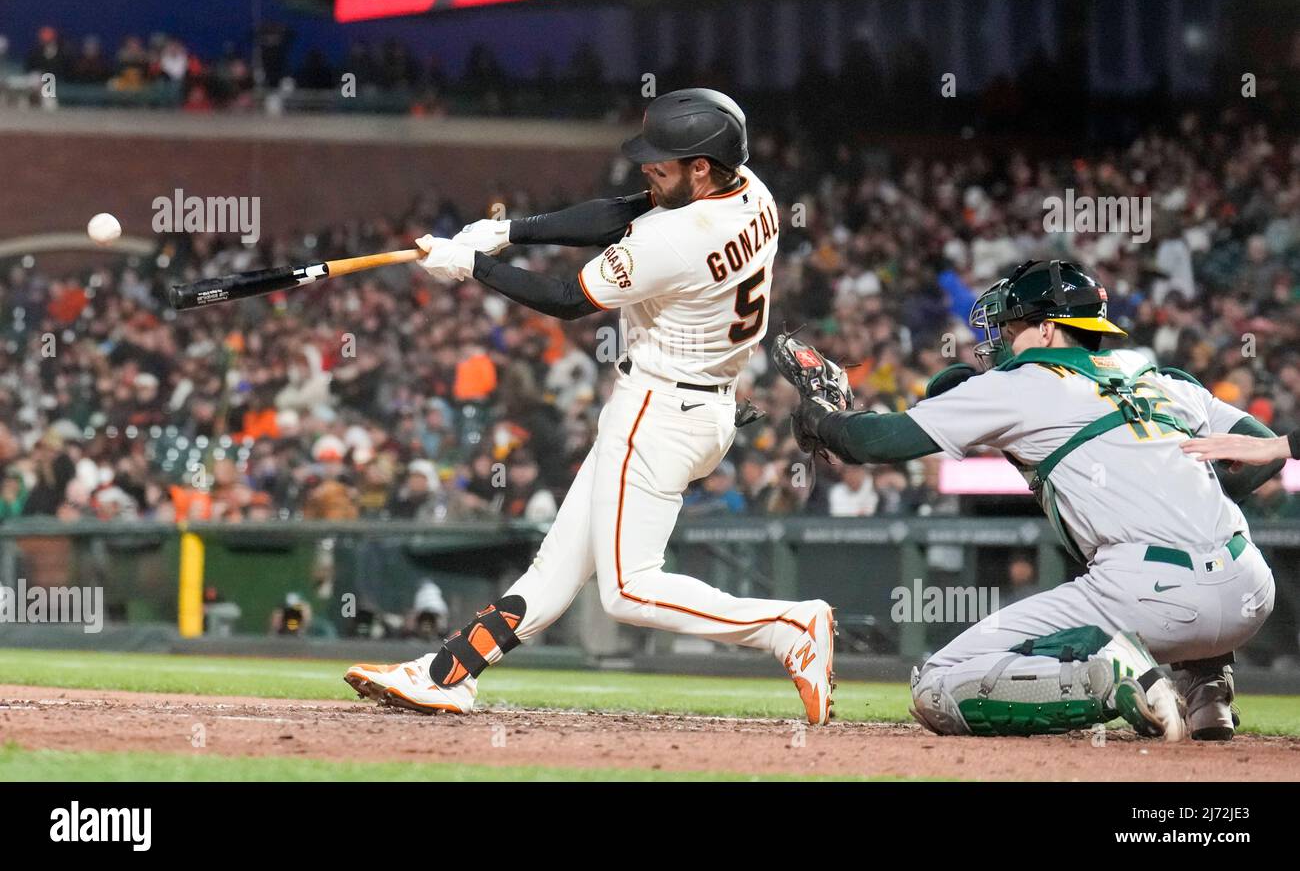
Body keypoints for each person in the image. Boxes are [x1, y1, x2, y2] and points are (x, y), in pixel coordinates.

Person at [345, 89, 835, 724]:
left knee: (628, 590)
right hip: (695, 404)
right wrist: (509, 232)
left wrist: (474, 267)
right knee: (554, 571)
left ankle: (787, 625)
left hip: (660, 408)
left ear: (701, 168)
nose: (646, 173)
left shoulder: (679, 238)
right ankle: (448, 674)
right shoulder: (750, 192)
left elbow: (569, 298)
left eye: (662, 164)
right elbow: (622, 213)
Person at [777, 259, 1279, 741]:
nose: (1001, 339)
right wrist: (1187, 487)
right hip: (1250, 593)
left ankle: (1109, 676)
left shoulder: (1019, 385)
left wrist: (822, 418)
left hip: (1149, 597)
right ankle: (1208, 689)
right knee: (1187, 549)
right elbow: (1265, 453)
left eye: (1012, 326)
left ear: (1047, 331)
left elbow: (876, 442)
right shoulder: (1159, 379)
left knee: (936, 682)